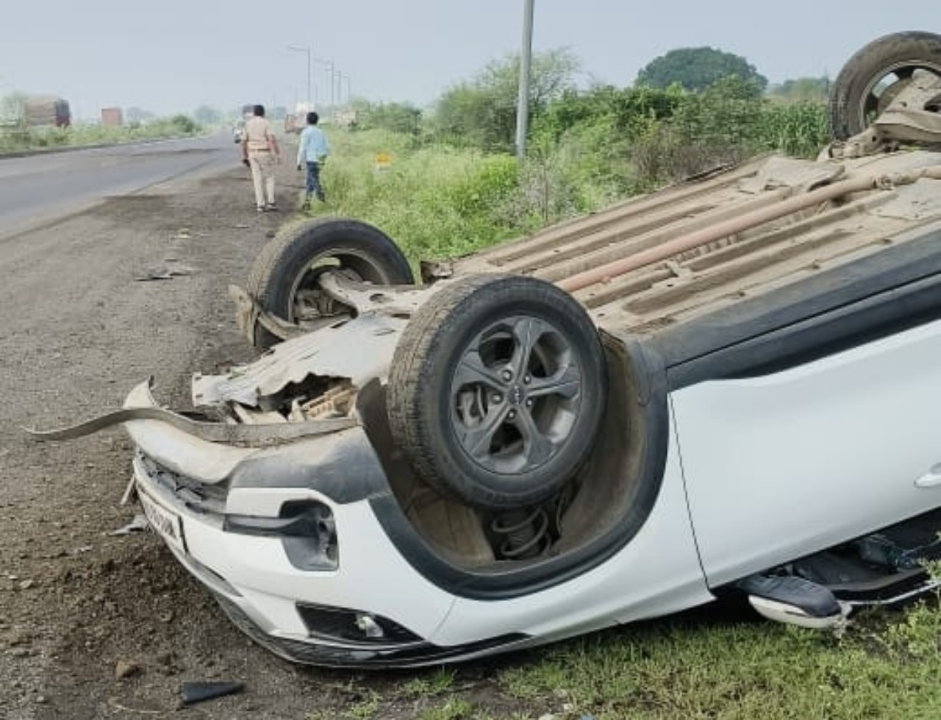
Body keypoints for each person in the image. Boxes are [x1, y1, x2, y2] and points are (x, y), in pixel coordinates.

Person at [241, 104, 281, 212]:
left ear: (254, 113)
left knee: (257, 179)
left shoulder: (248, 124)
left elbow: (243, 141)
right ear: (263, 113)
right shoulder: (266, 123)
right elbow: (271, 139)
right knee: (269, 177)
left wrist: (245, 156)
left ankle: (260, 205)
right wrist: (277, 154)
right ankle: (271, 203)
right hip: (264, 152)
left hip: (252, 153)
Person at [295, 111, 330, 208]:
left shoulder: (306, 132)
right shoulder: (321, 132)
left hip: (311, 159)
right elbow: (328, 147)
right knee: (310, 181)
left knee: (313, 179)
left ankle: (321, 196)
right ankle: (307, 202)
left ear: (307, 120)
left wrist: (298, 162)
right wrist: (325, 156)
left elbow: (302, 148)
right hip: (321, 158)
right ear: (317, 121)